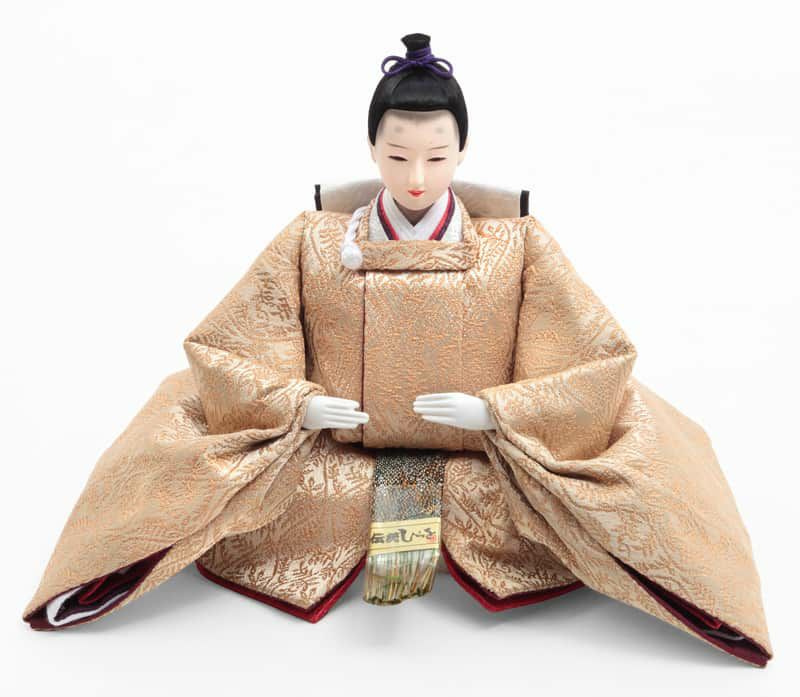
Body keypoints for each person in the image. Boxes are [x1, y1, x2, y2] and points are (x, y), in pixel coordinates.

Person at [23, 33, 772, 668]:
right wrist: (298, 404)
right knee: (228, 473)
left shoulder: (517, 246)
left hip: (484, 464)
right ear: (372, 149)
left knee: (573, 492)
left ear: (463, 151)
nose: (417, 179)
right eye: (398, 155)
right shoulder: (314, 240)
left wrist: (497, 412)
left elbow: (594, 357)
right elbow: (229, 344)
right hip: (333, 458)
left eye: (437, 158)